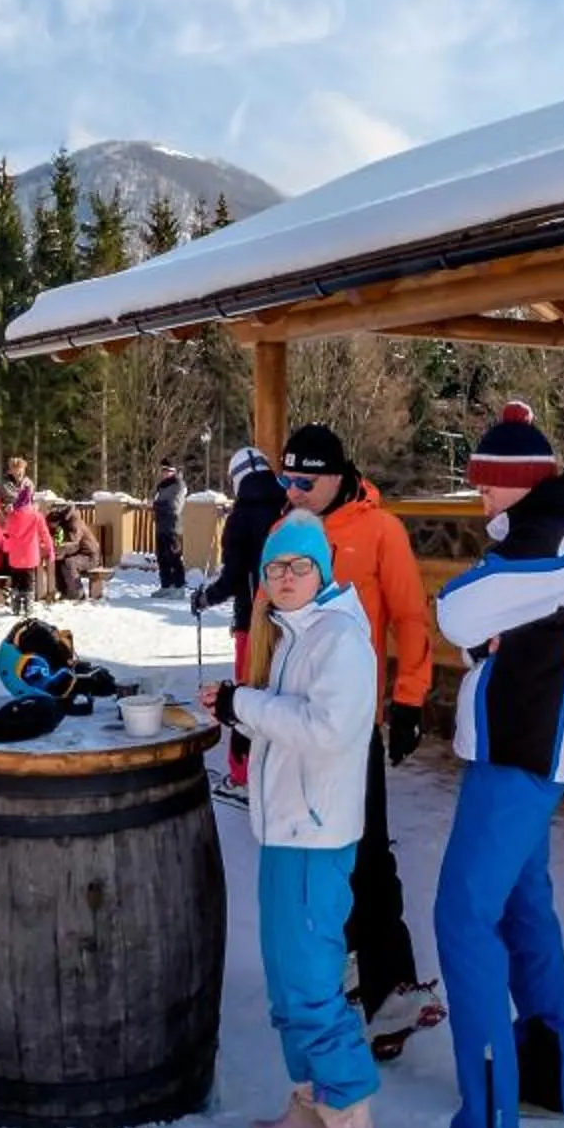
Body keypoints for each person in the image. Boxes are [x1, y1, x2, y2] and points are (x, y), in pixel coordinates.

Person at [422, 402, 564, 1128]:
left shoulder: (554, 538)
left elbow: (458, 612)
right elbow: (484, 630)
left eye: (485, 489)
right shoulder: (548, 531)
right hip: (516, 748)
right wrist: (486, 624)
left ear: (514, 486)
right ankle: (544, 1077)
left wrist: (477, 611)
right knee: (521, 909)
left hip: (522, 761)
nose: (477, 503)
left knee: (462, 919)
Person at [201, 511, 382, 1128]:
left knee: (311, 989)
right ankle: (311, 1106)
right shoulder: (294, 634)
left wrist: (244, 706)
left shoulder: (339, 640)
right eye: (274, 569)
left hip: (317, 836)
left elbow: (330, 730)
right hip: (285, 834)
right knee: (286, 985)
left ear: (322, 571)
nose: (284, 578)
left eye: (297, 566)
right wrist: (244, 705)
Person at [278, 422, 443, 1057]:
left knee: (367, 853)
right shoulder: (285, 527)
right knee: (311, 855)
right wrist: (248, 707)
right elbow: (265, 620)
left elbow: (408, 615)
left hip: (351, 725)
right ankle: (340, 969)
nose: (292, 491)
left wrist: (408, 700)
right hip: (292, 722)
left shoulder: (380, 530)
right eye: (284, 479)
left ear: (338, 475)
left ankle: (390, 991)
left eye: (304, 480)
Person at [191, 446, 287, 803]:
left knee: (246, 696)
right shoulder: (290, 507)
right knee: (282, 695)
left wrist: (205, 597)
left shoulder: (241, 516)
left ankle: (242, 776)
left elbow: (233, 579)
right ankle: (278, 774)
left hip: (254, 621)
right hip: (295, 622)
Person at [0, 487, 53, 616]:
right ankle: (28, 607)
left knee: (16, 582)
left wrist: (6, 514)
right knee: (29, 582)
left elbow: (5, 531)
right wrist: (49, 550)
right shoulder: (36, 516)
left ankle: (16, 605)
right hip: (30, 556)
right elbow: (45, 534)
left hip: (15, 557)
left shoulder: (12, 516)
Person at [49, 503, 100, 603]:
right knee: (57, 562)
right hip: (77, 553)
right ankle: (64, 591)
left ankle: (78, 594)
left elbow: (75, 544)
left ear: (58, 521)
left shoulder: (74, 523)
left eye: (52, 525)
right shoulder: (62, 525)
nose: (52, 528)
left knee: (69, 563)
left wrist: (60, 550)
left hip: (90, 556)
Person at [151, 462, 188, 596]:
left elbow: (175, 507)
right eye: (164, 471)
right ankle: (166, 585)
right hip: (161, 526)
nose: (165, 473)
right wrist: (155, 505)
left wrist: (157, 505)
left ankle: (179, 587)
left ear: (174, 471)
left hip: (173, 527)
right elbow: (156, 502)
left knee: (174, 557)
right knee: (162, 557)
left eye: (168, 471)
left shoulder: (179, 485)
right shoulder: (161, 487)